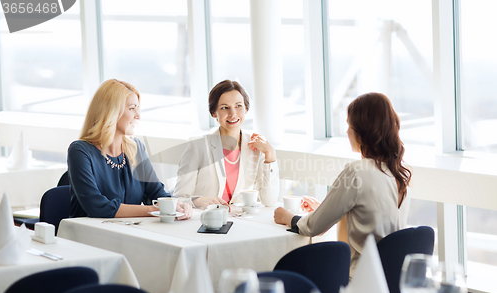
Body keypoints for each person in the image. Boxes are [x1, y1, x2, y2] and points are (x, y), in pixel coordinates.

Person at [274, 92, 412, 276]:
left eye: (350, 125)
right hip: (392, 278)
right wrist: (329, 210)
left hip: (360, 279)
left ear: (364, 132)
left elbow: (313, 227)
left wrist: (289, 217)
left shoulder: (357, 171)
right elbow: (374, 218)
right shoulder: (399, 173)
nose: (347, 131)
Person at [68, 79, 191, 218]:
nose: (138, 115)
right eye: (132, 108)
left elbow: (157, 193)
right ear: (111, 111)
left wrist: (176, 204)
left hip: (128, 231)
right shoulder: (80, 151)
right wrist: (152, 210)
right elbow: (97, 207)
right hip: (89, 234)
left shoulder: (136, 148)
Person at [174, 80, 279, 209]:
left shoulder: (256, 147)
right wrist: (198, 201)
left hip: (239, 222)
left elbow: (269, 201)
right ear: (213, 113)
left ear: (246, 108)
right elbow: (179, 199)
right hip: (204, 222)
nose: (233, 114)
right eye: (225, 108)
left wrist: (270, 154)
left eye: (238, 106)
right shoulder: (198, 146)